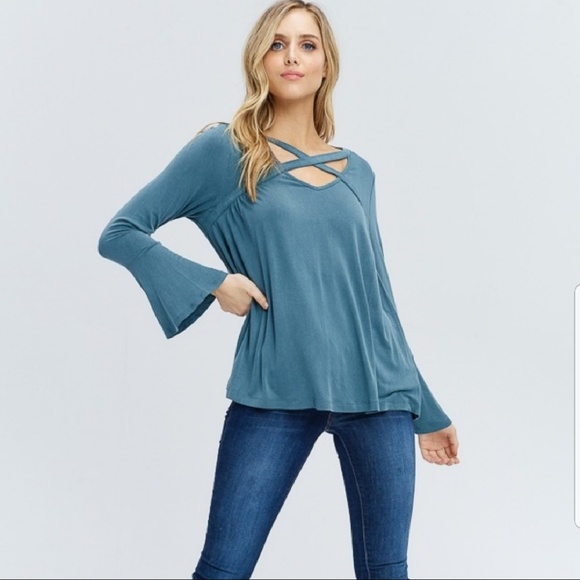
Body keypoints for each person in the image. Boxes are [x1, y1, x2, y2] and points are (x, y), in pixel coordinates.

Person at [98, 1, 459, 578]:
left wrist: (426, 409)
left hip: (380, 396)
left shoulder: (358, 172)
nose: (292, 55)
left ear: (326, 63)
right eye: (277, 43)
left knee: (387, 572)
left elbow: (376, 300)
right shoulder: (225, 151)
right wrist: (215, 284)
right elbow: (121, 233)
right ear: (260, 60)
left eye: (307, 44)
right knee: (224, 568)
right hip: (275, 389)